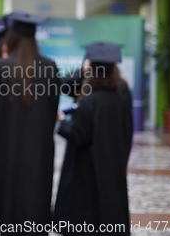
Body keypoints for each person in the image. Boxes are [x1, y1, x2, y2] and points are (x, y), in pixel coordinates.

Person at [0, 11, 60, 235]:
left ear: (12, 38)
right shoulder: (49, 68)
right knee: (35, 198)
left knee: (6, 201)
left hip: (4, 151)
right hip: (39, 151)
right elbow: (51, 109)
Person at [53, 43, 133, 236]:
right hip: (112, 160)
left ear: (92, 70)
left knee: (87, 208)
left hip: (88, 163)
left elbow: (79, 135)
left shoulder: (89, 100)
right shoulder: (119, 97)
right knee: (110, 201)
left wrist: (62, 122)